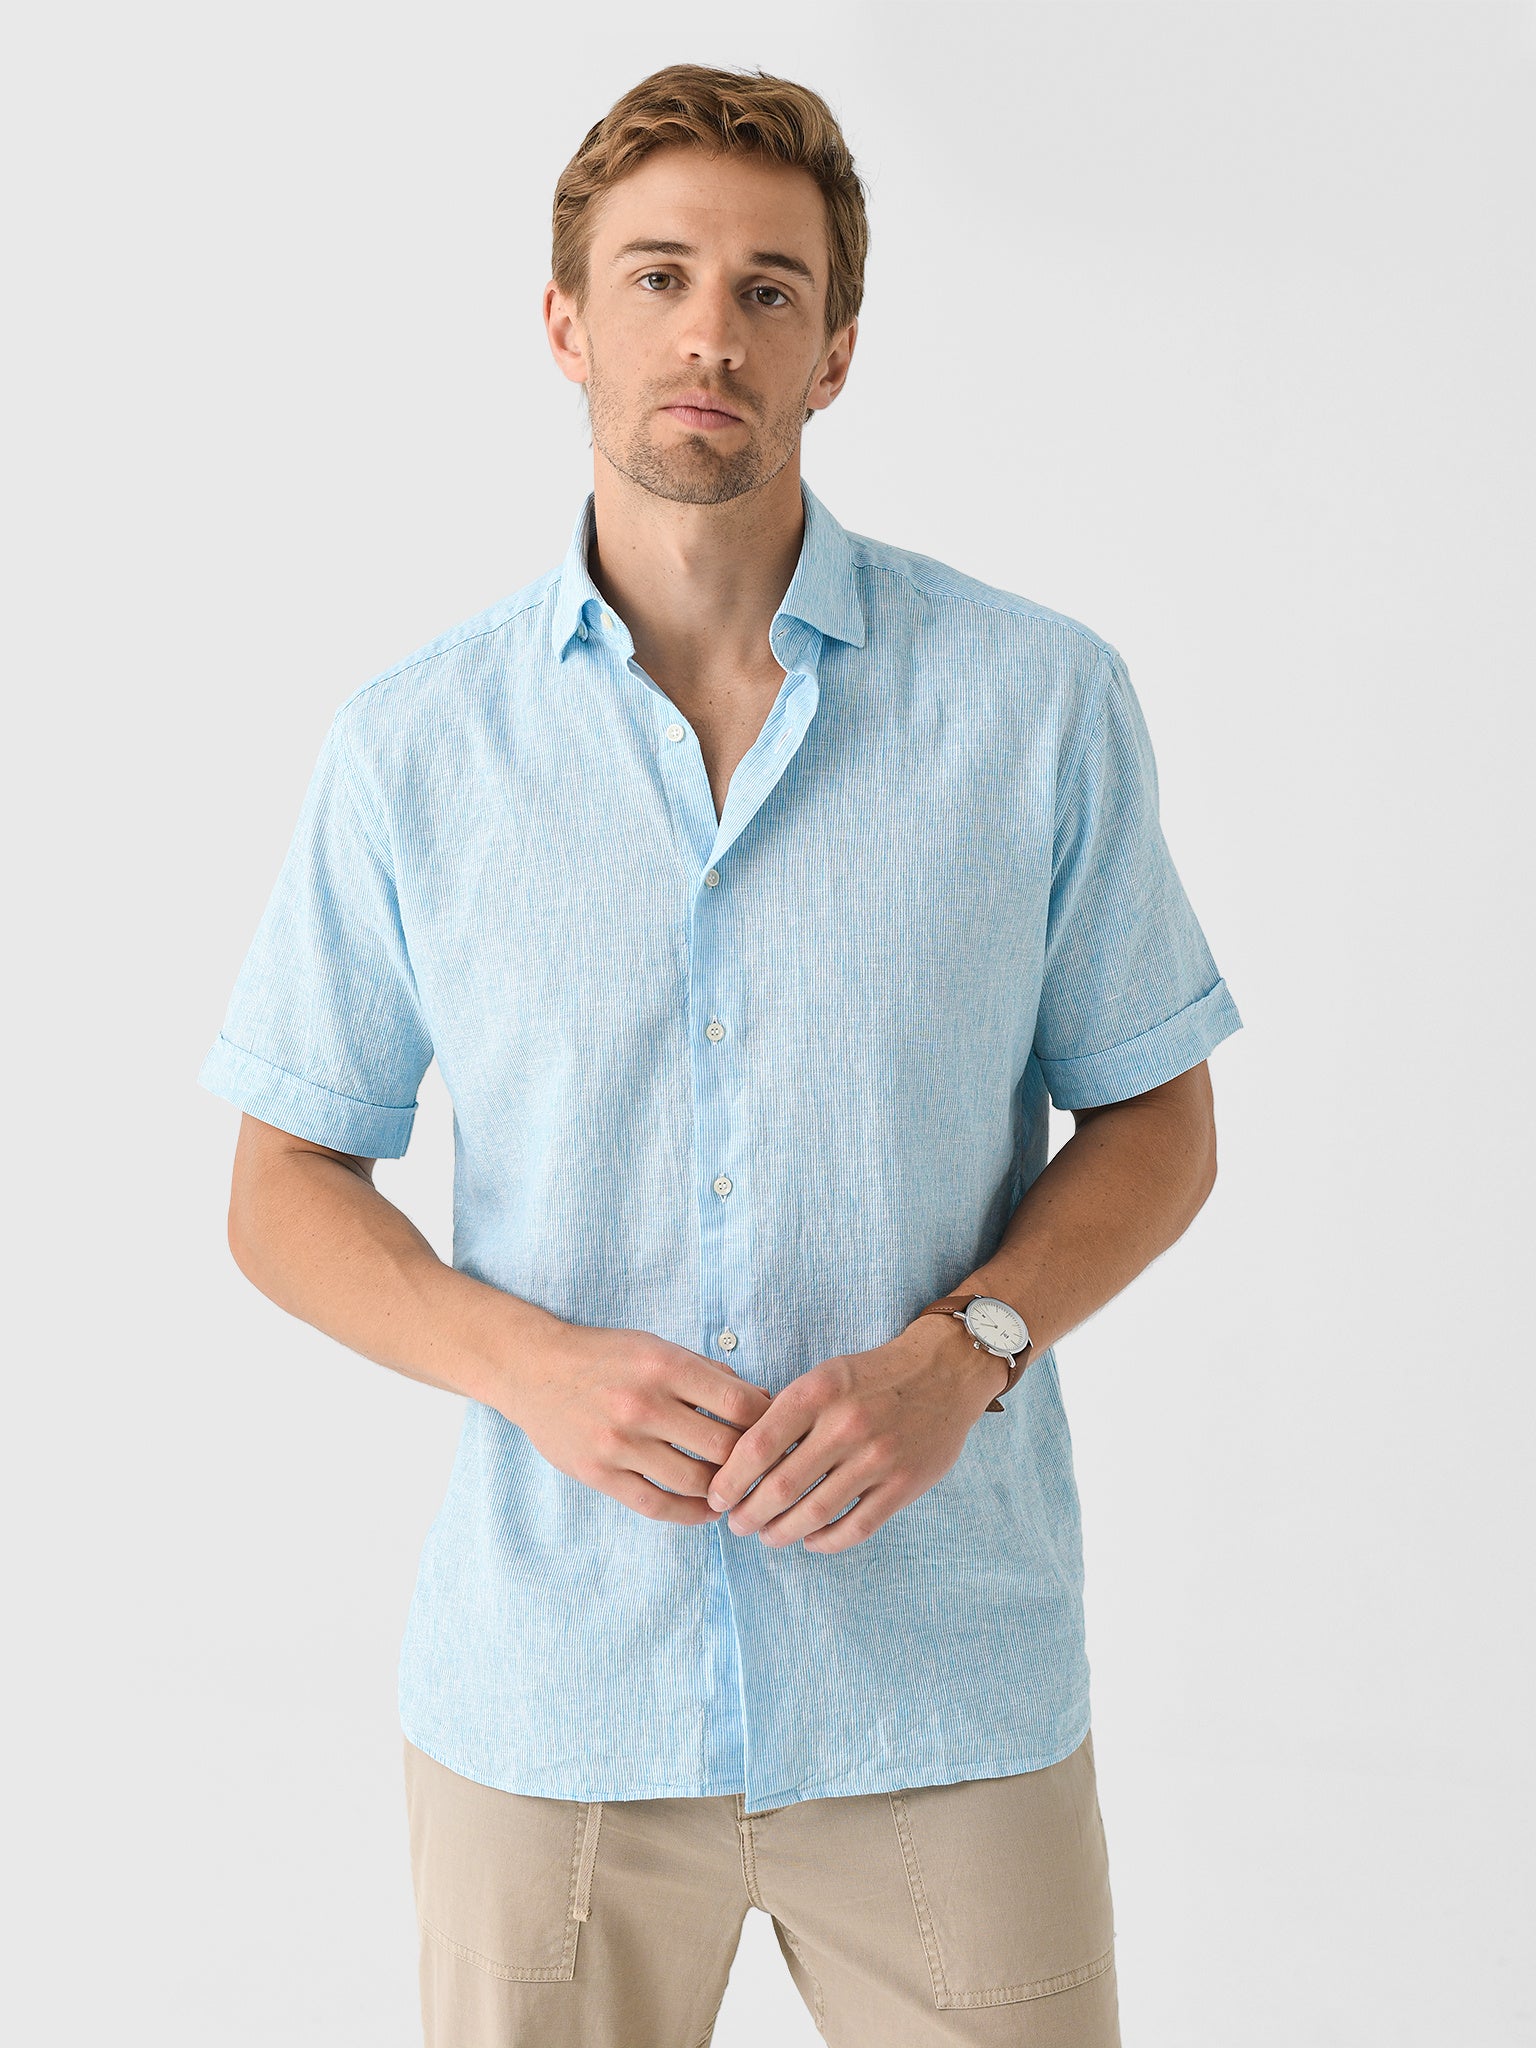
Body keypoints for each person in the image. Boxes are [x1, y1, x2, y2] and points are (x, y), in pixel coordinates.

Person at [199, 60, 1243, 2048]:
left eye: (771, 289)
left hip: (943, 1688)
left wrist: (968, 1353)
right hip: (553, 1701)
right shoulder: (415, 748)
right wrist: (523, 1364)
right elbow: (279, 1184)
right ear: (566, 323)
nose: (712, 333)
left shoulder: (1037, 703)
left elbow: (1160, 1117)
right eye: (659, 275)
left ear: (835, 351)